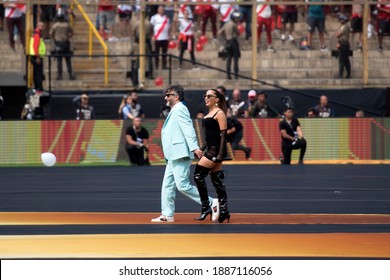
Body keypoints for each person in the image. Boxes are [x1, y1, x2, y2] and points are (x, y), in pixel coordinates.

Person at [151, 84, 218, 223]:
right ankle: (167, 214)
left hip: (180, 153)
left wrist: (194, 148)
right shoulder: (176, 109)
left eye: (168, 95)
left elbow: (188, 129)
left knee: (182, 185)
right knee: (167, 185)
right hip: (173, 155)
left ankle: (212, 203)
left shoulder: (180, 109)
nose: (166, 97)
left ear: (176, 96)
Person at [194, 88, 231, 223]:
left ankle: (206, 207)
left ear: (217, 99)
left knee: (198, 175)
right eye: (205, 95)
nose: (206, 98)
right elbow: (209, 137)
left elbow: (223, 135)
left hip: (216, 151)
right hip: (210, 149)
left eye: (210, 96)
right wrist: (202, 148)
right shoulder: (209, 113)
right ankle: (224, 211)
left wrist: (220, 154)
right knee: (217, 181)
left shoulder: (220, 113)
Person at [50, 13, 76, 81]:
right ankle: (70, 74)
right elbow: (72, 33)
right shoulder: (67, 25)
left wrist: (55, 38)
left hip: (58, 43)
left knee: (59, 60)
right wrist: (67, 37)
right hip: (66, 43)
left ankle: (59, 75)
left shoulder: (55, 26)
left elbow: (51, 34)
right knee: (68, 60)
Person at [219, 12, 241, 80]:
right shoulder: (234, 24)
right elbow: (238, 33)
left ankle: (228, 75)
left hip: (227, 42)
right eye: (237, 18)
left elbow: (220, 32)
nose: (238, 19)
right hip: (233, 42)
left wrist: (225, 37)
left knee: (228, 58)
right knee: (235, 59)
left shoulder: (226, 24)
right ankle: (236, 75)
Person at [29, 21, 46, 91]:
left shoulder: (37, 34)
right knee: (38, 73)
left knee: (37, 73)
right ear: (38, 26)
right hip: (36, 56)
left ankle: (37, 87)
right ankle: (39, 88)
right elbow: (35, 46)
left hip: (36, 56)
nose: (43, 27)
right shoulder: (37, 34)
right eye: (42, 26)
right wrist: (38, 57)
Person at [336, 14, 351, 79]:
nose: (340, 20)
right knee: (345, 60)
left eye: (342, 19)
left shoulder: (345, 27)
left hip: (344, 44)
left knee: (342, 60)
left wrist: (338, 32)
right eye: (340, 19)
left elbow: (337, 35)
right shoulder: (343, 26)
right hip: (342, 43)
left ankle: (340, 74)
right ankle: (348, 74)